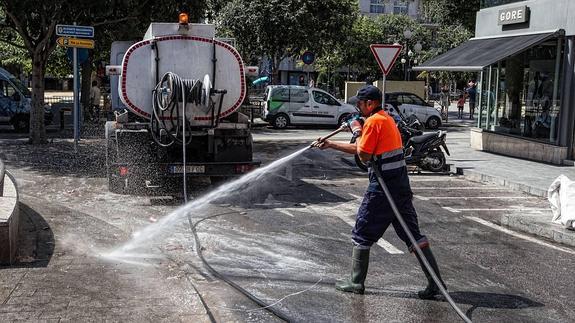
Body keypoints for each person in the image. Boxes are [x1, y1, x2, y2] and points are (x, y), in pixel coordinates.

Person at [313, 85, 446, 298]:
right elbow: (369, 146)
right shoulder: (385, 119)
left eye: (360, 103)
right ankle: (435, 283)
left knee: (362, 232)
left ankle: (356, 282)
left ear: (370, 103)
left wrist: (347, 136)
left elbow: (364, 155)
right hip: (400, 185)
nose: (357, 106)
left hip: (384, 188)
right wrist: (350, 133)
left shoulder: (374, 122)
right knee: (412, 234)